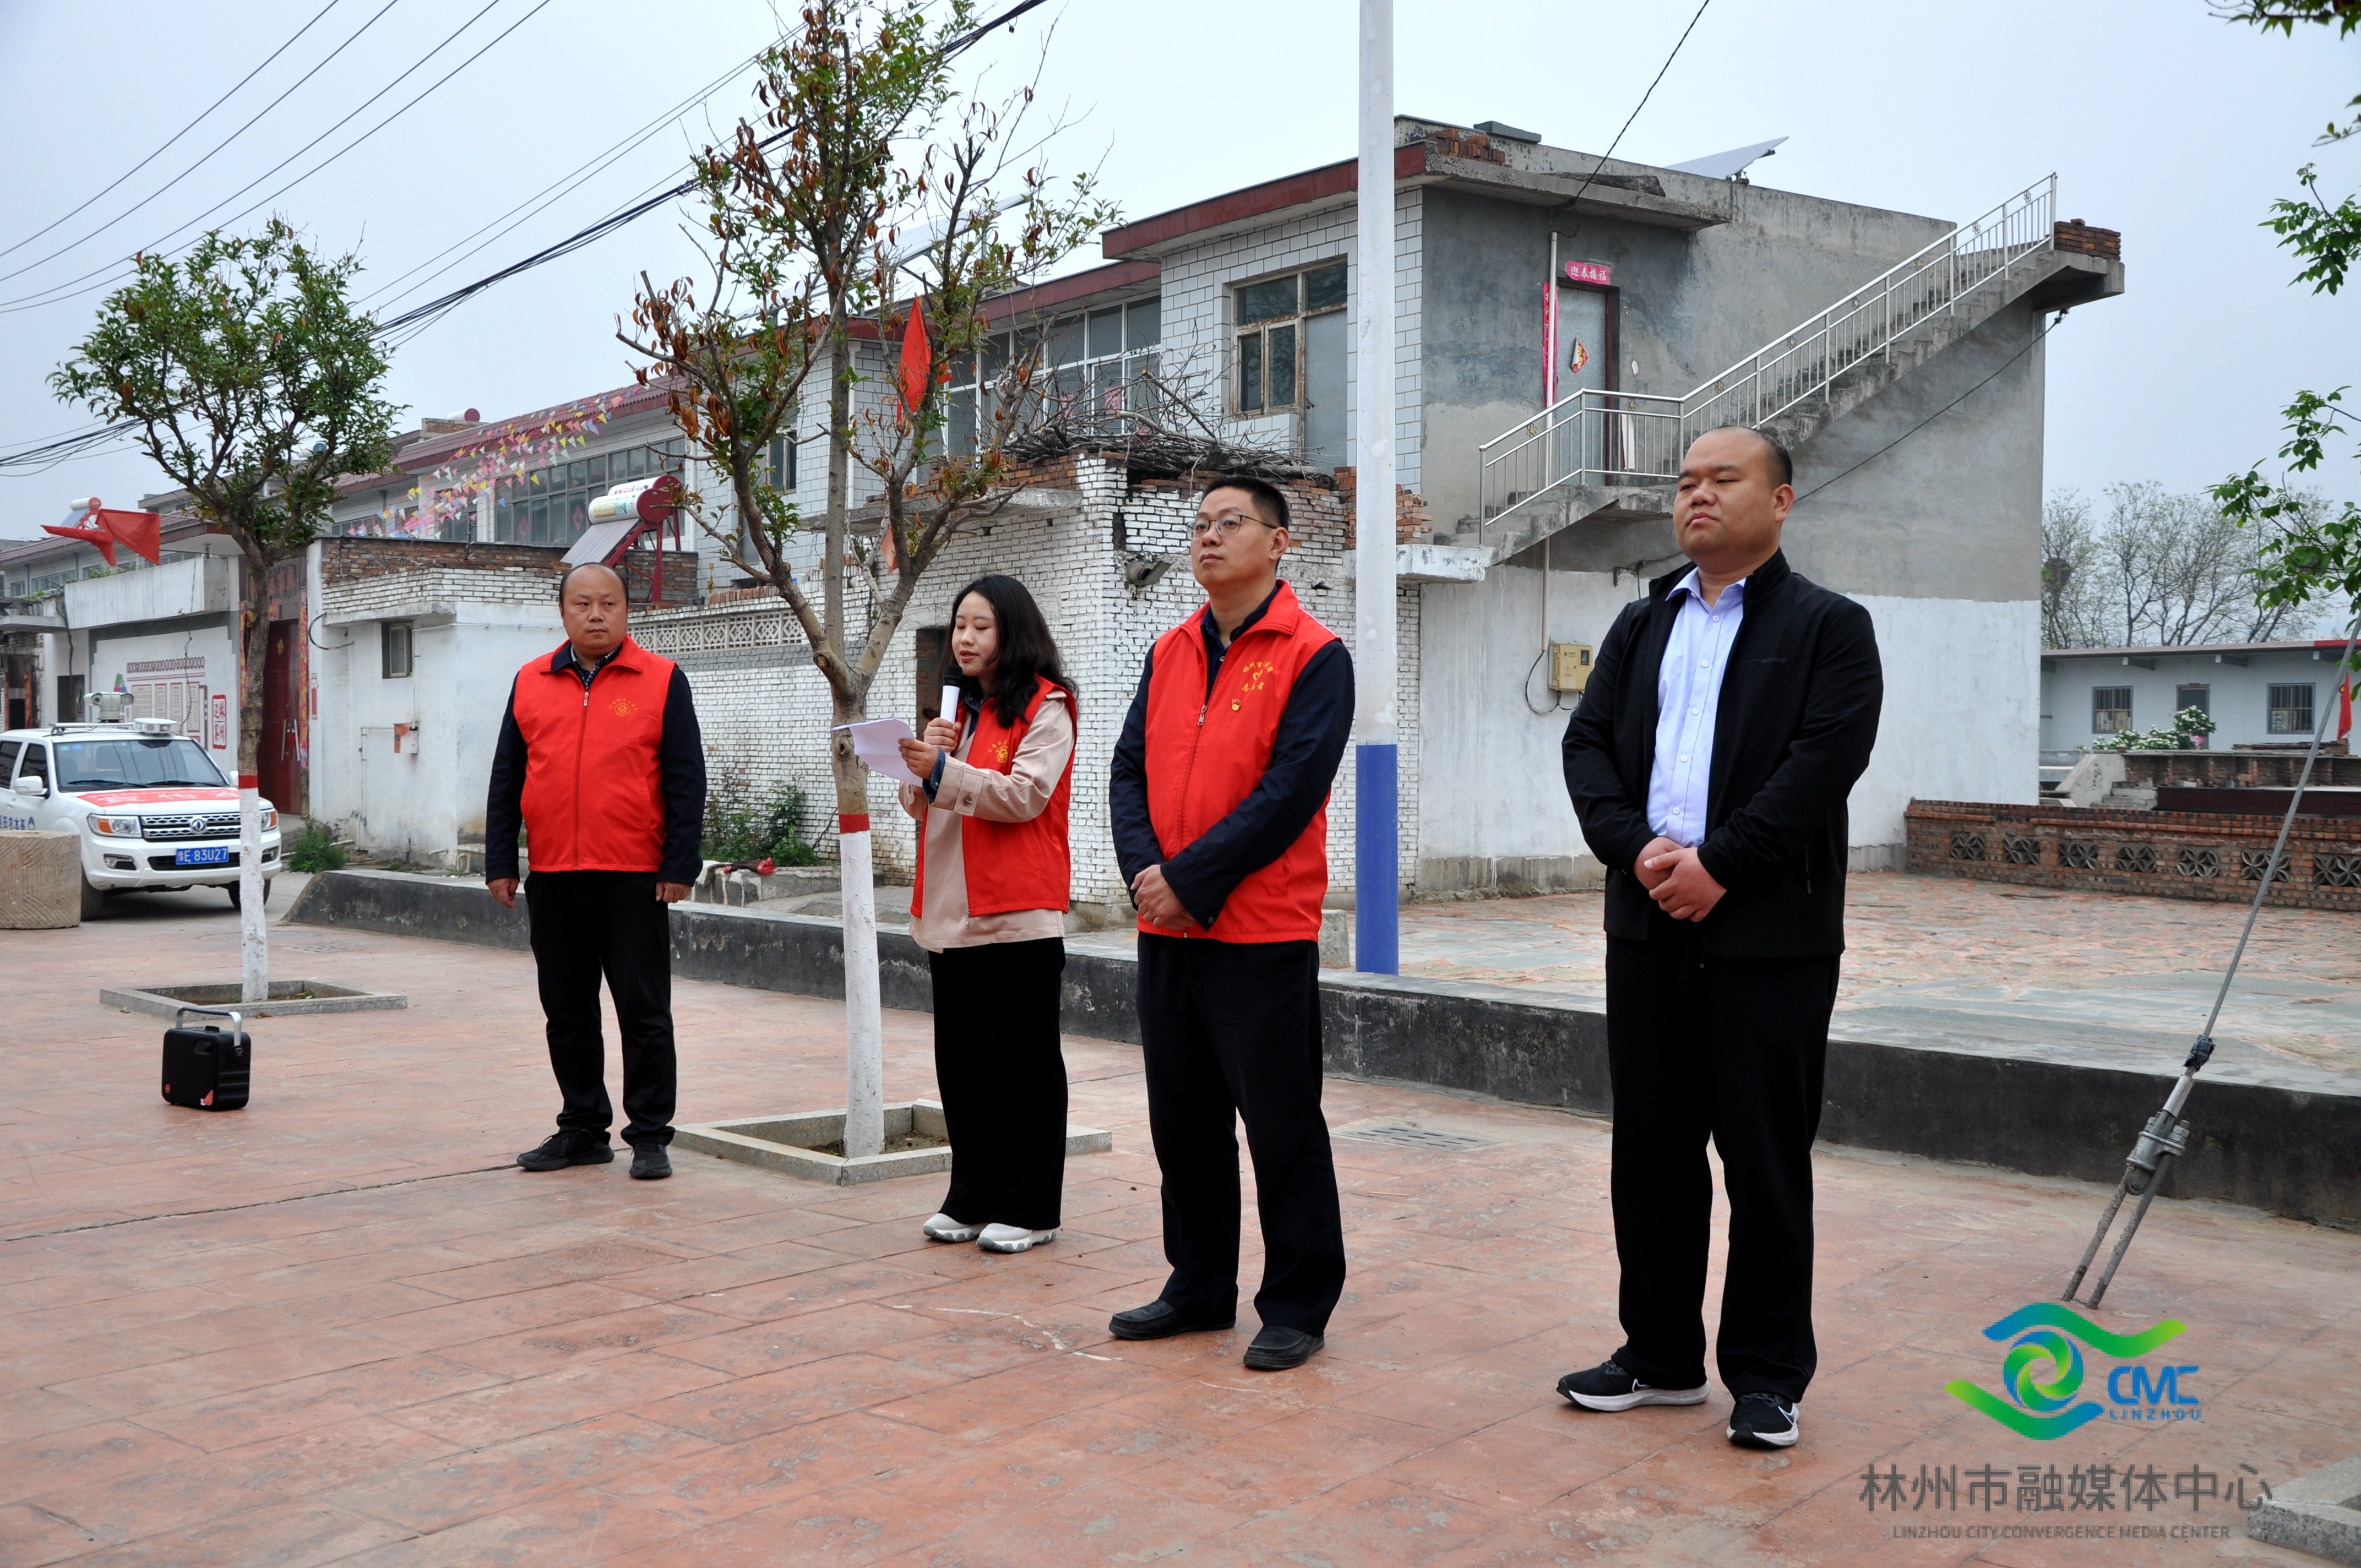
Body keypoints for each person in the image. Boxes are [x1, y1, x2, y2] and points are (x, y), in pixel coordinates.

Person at [1557, 426, 1883, 1450]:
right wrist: (1638, 851)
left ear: (1780, 501)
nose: (1696, 495)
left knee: (1763, 1159)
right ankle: (1657, 1355)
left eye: (1722, 479)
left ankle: (1766, 1373)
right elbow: (1586, 746)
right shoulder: (1638, 622)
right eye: (1685, 481)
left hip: (1767, 938)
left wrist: (1721, 865)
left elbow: (1823, 760)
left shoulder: (1829, 626)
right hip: (1646, 925)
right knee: (1649, 1152)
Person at [1107, 473, 1353, 1373]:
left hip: (1261, 930)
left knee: (1281, 1122)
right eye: (1200, 523)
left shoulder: (1314, 654)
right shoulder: (1169, 648)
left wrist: (1191, 880)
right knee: (1183, 1122)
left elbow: (1287, 795)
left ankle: (1296, 1300)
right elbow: (1127, 769)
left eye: (1230, 522)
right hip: (1166, 927)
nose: (1208, 536)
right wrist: (1147, 873)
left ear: (1277, 542)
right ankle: (1198, 1284)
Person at [486, 560, 706, 1182]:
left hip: (634, 875)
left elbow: (687, 780)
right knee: (567, 1010)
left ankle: (649, 1135)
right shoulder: (530, 681)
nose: (595, 614)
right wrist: (501, 861)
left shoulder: (662, 679)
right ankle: (582, 1127)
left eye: (608, 603)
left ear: (626, 611)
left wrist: (679, 863)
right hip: (554, 874)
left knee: (643, 1010)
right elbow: (508, 777)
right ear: (563, 612)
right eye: (582, 603)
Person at [894, 574, 1079, 1256]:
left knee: (1023, 1066)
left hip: (1016, 912)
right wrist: (922, 763)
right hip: (950, 910)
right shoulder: (959, 711)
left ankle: (1031, 1207)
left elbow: (1026, 795)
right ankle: (972, 1195)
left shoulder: (1047, 707)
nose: (965, 639)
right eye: (958, 626)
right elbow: (925, 807)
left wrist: (942, 772)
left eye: (981, 627)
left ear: (1013, 632)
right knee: (964, 1064)